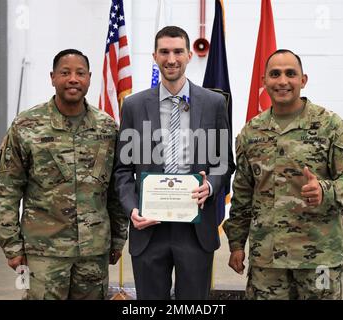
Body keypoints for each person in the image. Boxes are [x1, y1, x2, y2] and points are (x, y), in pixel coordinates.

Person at [223, 49, 343, 300]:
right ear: (264, 81)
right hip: (266, 260)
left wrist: (327, 190)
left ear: (303, 80)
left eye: (290, 74)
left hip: (319, 258)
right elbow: (243, 194)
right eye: (275, 74)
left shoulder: (330, 126)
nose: (282, 81)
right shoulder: (251, 132)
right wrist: (236, 244)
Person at [0, 49, 128, 300]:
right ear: (52, 77)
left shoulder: (108, 128)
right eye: (65, 73)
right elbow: (8, 190)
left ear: (89, 78)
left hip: (93, 251)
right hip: (45, 252)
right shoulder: (27, 126)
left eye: (80, 73)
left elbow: (115, 190)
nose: (73, 79)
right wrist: (11, 246)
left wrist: (118, 239)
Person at [114, 26, 235, 300]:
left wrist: (212, 186)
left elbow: (224, 161)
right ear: (155, 56)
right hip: (149, 227)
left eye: (178, 51)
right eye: (165, 52)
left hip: (195, 227)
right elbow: (122, 170)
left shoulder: (214, 103)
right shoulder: (133, 105)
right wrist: (132, 209)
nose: (171, 59)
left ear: (189, 55)